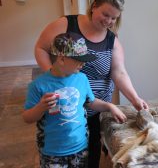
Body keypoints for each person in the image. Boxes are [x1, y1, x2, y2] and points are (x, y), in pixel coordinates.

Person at [34, 0, 149, 167]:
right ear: (94, 6)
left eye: (114, 18)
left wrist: (135, 99)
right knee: (57, 151)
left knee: (89, 154)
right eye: (105, 14)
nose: (109, 21)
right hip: (62, 108)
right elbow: (41, 48)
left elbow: (119, 72)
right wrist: (55, 77)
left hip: (94, 109)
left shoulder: (112, 40)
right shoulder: (66, 24)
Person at [23, 33, 127, 167]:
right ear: (61, 59)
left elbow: (91, 102)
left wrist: (110, 106)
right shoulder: (38, 85)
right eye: (80, 60)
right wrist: (40, 107)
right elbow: (27, 118)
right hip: (52, 152)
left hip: (80, 147)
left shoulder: (82, 78)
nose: (84, 63)